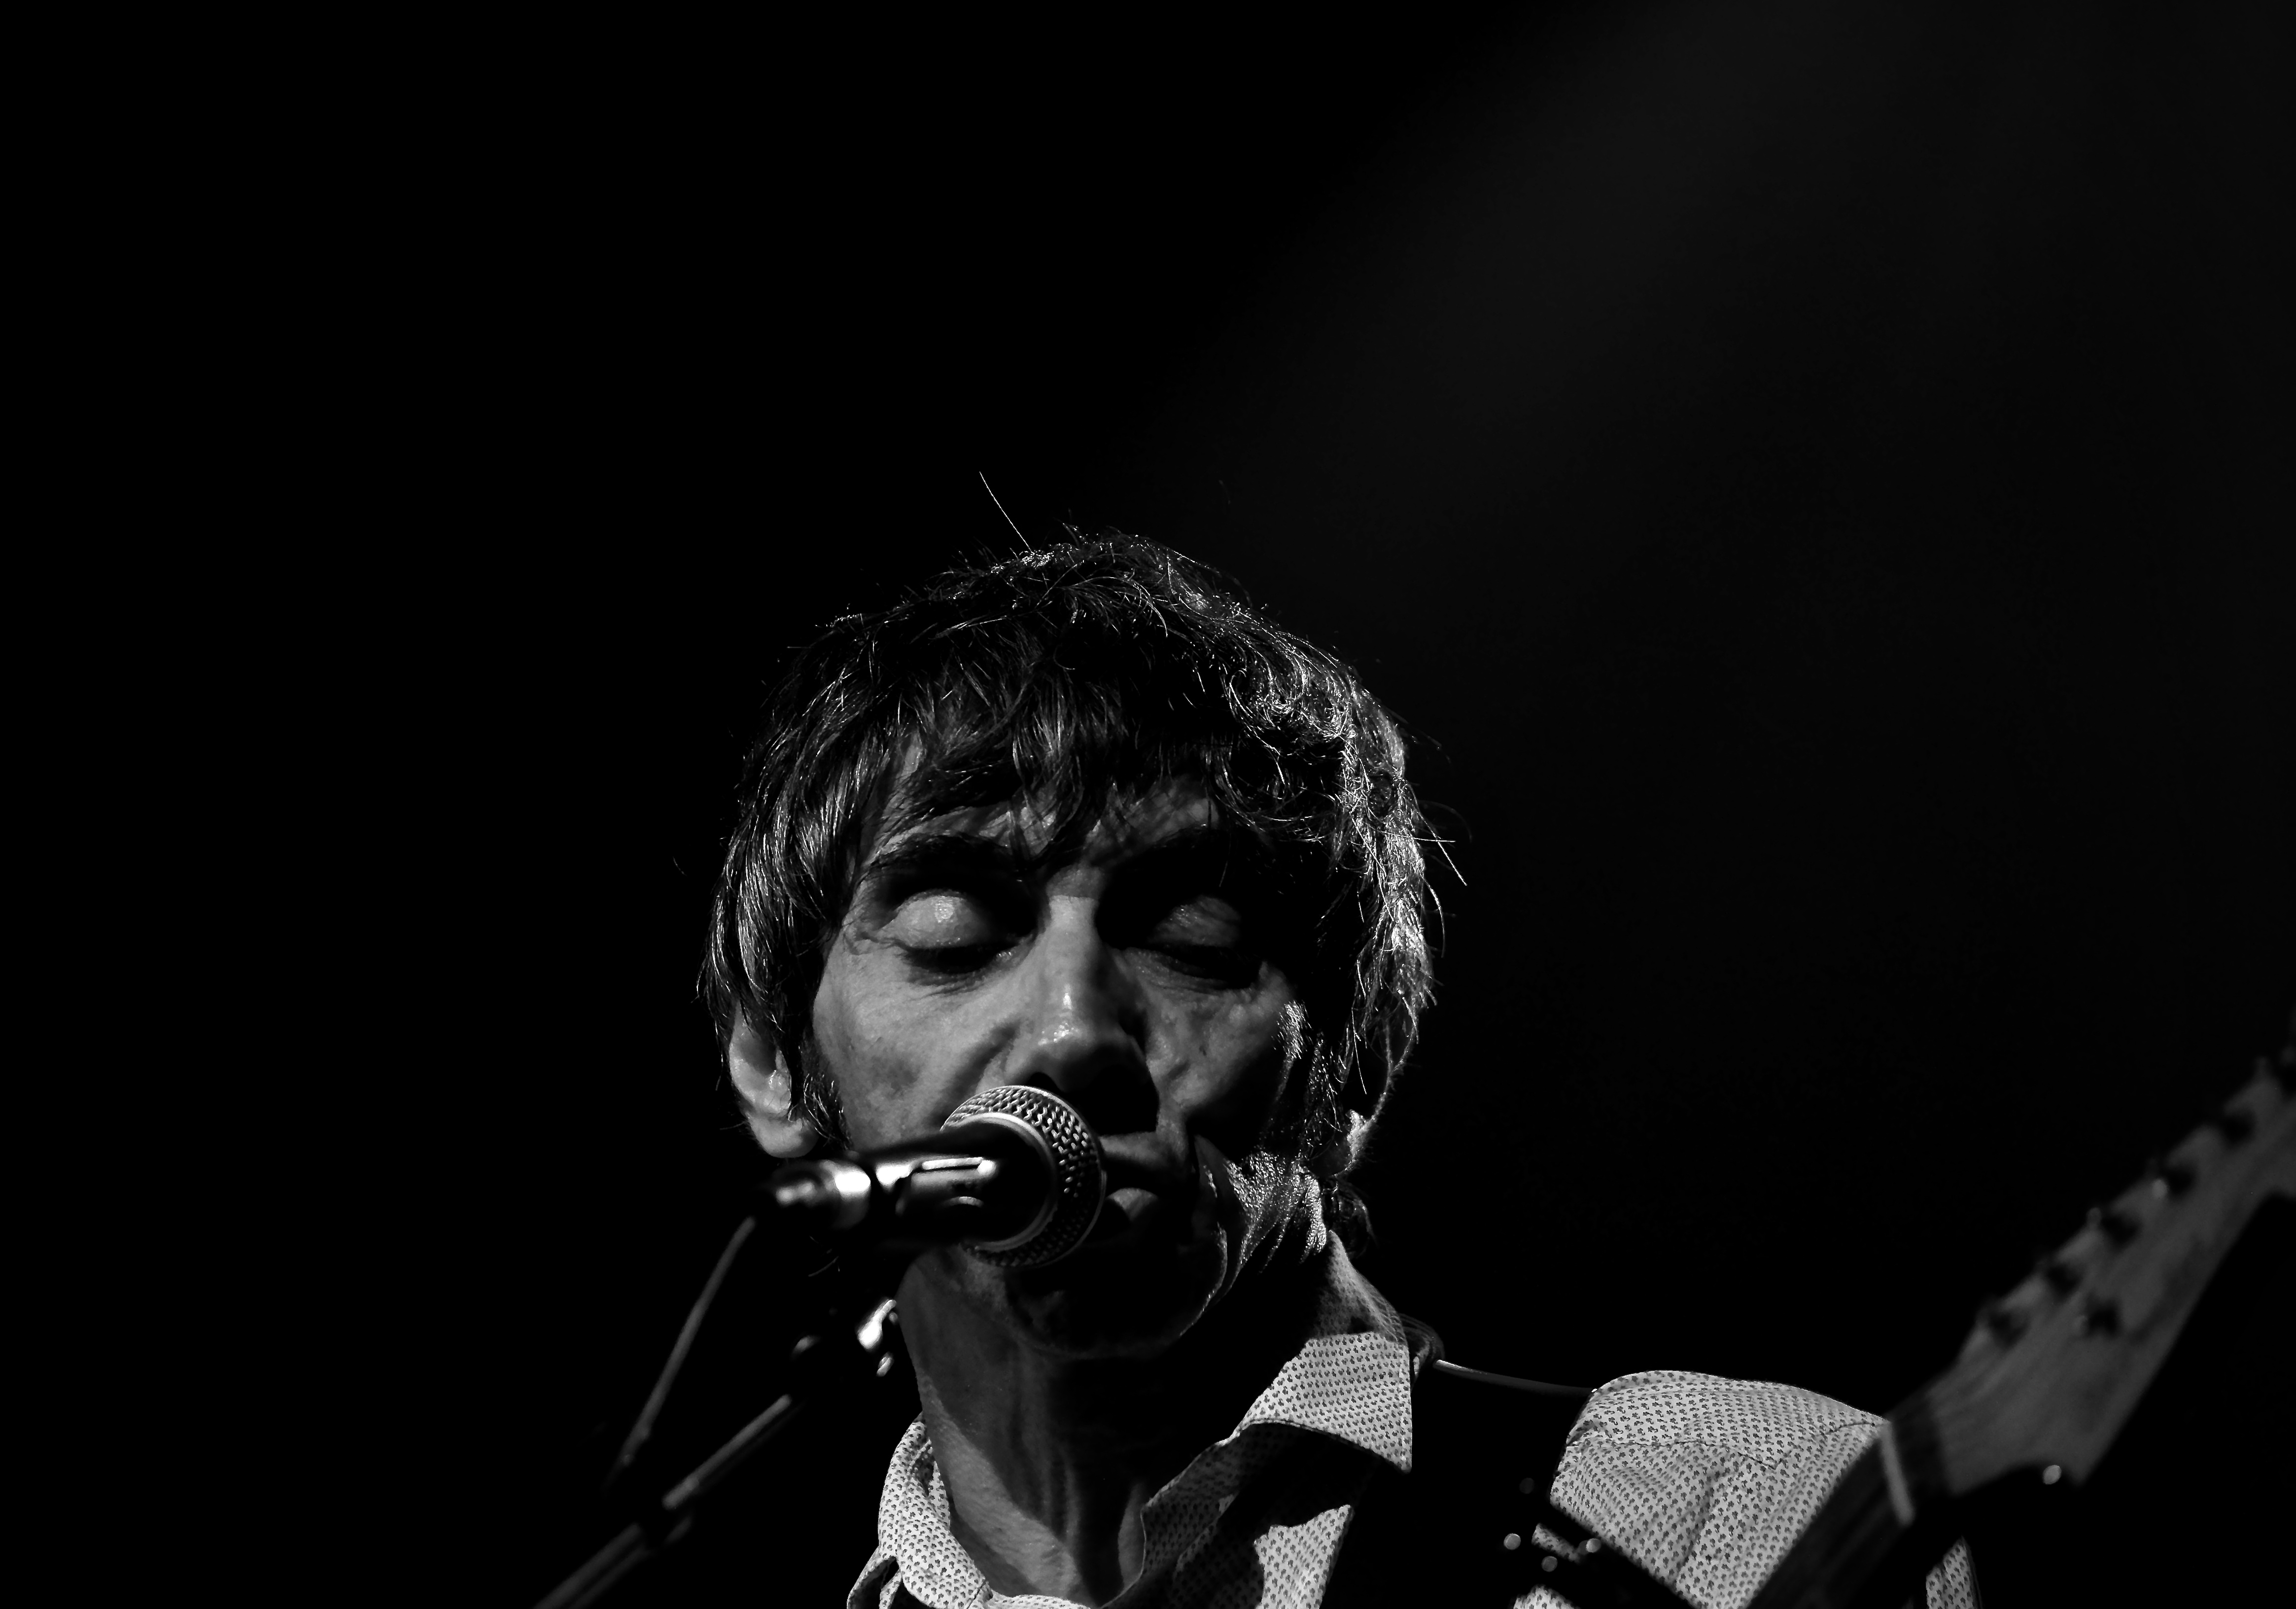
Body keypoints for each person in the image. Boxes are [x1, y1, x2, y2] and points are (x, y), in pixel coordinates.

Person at [703, 536, 1978, 1608]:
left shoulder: (1742, 1515)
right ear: (771, 1062)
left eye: (1192, 940)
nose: (1072, 1029)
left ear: (1358, 1056)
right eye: (955, 938)